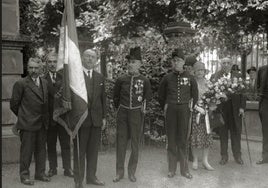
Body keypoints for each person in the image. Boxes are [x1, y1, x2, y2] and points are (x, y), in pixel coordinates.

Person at [113, 47, 152, 183]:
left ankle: (131, 172)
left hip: (136, 113)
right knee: (121, 143)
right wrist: (119, 110)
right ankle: (119, 172)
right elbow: (115, 98)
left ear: (140, 64)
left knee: (135, 144)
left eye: (134, 62)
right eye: (129, 62)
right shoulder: (121, 79)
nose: (130, 64)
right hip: (122, 113)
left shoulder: (144, 80)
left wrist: (143, 108)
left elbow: (148, 97)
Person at [158, 49, 198, 179]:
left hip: (184, 111)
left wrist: (190, 106)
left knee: (183, 140)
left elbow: (195, 95)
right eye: (174, 61)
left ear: (183, 62)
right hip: (171, 111)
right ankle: (171, 169)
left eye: (179, 60)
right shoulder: (167, 78)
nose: (176, 63)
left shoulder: (190, 78)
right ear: (172, 62)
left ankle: (184, 170)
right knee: (172, 140)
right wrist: (165, 105)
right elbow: (161, 95)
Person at [10, 57, 51, 186]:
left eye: (36, 68)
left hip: (42, 123)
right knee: (26, 151)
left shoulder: (44, 82)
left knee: (41, 150)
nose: (33, 70)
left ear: (41, 69)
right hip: (27, 124)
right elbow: (14, 104)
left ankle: (40, 173)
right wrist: (24, 116)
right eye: (31, 67)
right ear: (27, 68)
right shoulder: (21, 83)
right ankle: (24, 175)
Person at [73, 49, 106, 188]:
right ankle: (78, 180)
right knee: (80, 152)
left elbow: (103, 99)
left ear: (96, 60)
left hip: (96, 120)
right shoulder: (75, 76)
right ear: (82, 57)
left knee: (93, 151)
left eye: (93, 57)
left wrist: (104, 117)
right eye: (87, 56)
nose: (90, 59)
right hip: (81, 120)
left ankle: (91, 177)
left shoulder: (99, 77)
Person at [210, 58, 246, 165]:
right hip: (222, 110)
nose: (226, 65)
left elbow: (243, 94)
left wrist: (242, 107)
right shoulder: (215, 76)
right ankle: (224, 156)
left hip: (235, 110)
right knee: (223, 134)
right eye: (224, 63)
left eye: (228, 63)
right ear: (221, 64)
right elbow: (211, 93)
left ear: (231, 65)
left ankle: (237, 156)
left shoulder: (238, 76)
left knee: (236, 134)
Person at [44, 51, 73, 178]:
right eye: (49, 62)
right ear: (46, 64)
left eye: (54, 61)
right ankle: (52, 168)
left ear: (58, 63)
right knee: (51, 144)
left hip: (63, 117)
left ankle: (67, 168)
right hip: (49, 118)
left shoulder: (65, 78)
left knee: (65, 144)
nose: (52, 64)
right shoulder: (43, 79)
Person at [190, 61, 214, 171]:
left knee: (207, 137)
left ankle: (205, 160)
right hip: (196, 114)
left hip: (207, 115)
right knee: (195, 137)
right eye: (198, 70)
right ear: (194, 72)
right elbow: (188, 99)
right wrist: (196, 107)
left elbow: (214, 98)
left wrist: (213, 106)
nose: (200, 72)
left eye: (202, 70)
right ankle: (195, 160)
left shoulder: (209, 83)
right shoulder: (191, 83)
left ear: (204, 72)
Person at [256, 64, 268, 164]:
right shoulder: (262, 69)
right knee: (266, 131)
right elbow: (258, 86)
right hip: (265, 102)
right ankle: (265, 157)